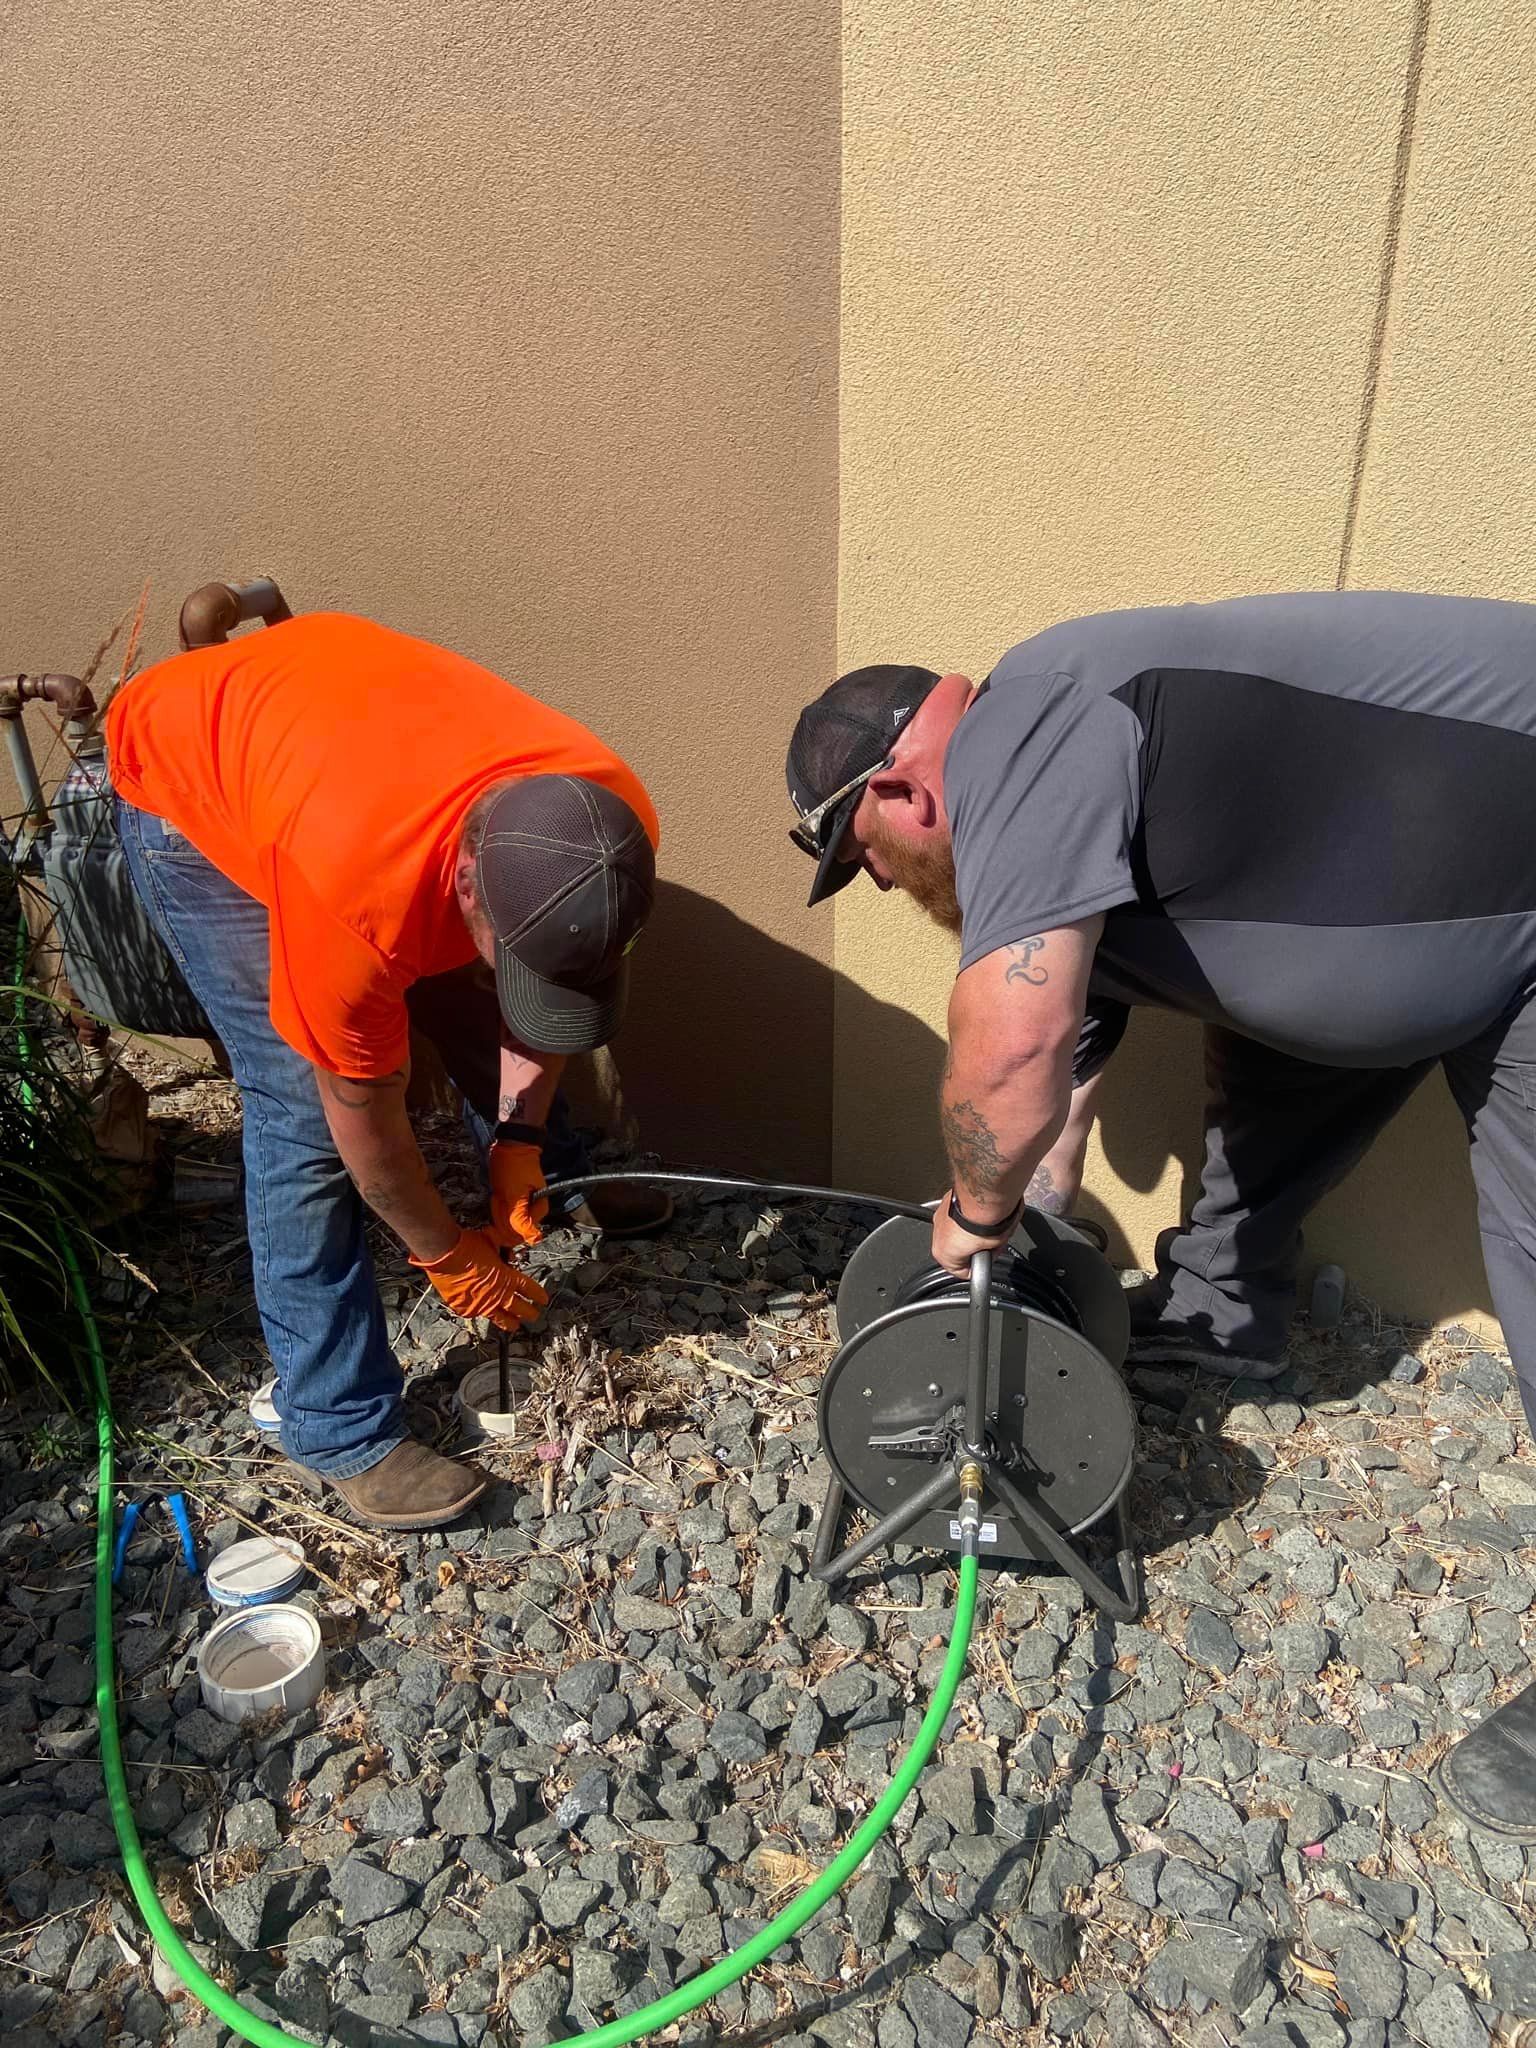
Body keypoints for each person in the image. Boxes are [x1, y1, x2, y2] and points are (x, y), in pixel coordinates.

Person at [784, 590, 1536, 1453]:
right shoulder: (1067, 830)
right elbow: (1054, 1110)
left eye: (864, 853)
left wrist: (972, 1217)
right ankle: (1222, 1307)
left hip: (1513, 842)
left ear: (901, 791)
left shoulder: (1023, 732)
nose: (882, 880)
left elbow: (1017, 1047)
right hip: (1437, 917)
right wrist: (1011, 1241)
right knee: (1281, 1024)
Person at [107, 609, 663, 1529]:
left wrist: (520, 1141)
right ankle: (337, 1424)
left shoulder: (606, 819)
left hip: (332, 733)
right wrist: (444, 1252)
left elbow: (547, 986)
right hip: (185, 779)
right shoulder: (354, 905)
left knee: (485, 991)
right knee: (296, 1105)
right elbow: (357, 1117)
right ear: (467, 884)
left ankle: (556, 1182)